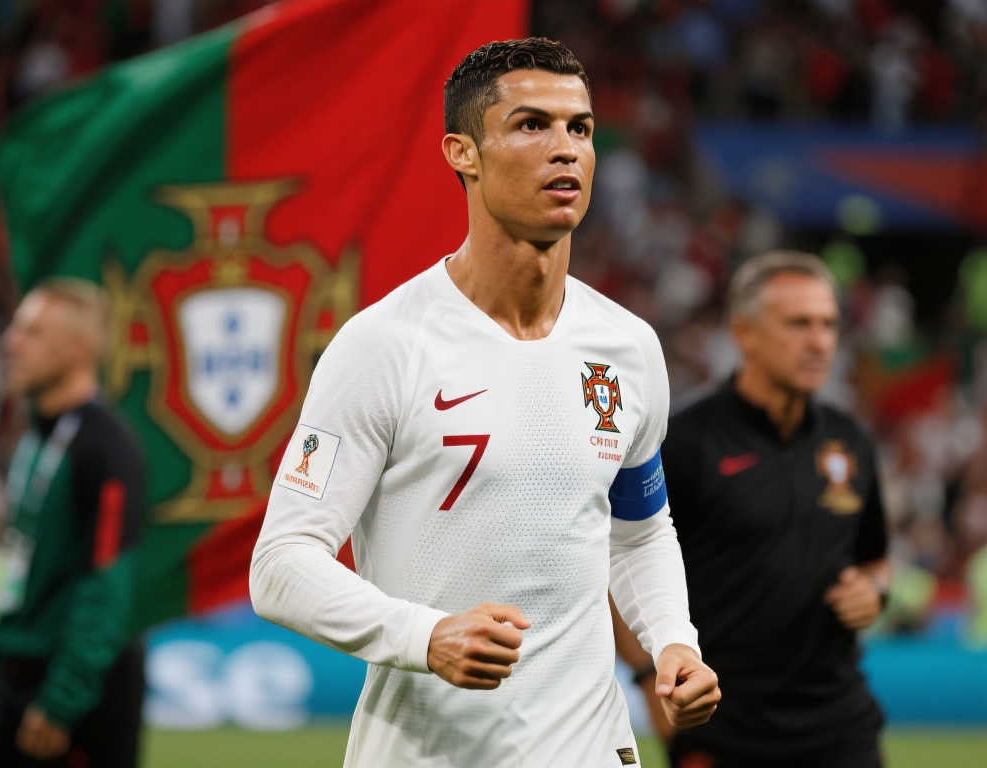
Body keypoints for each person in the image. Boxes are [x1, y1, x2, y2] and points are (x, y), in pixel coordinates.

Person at [250, 37, 719, 767]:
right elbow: (281, 564)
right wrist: (424, 636)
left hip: (590, 748)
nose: (565, 149)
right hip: (428, 752)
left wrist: (673, 642)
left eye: (581, 128)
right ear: (462, 153)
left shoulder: (627, 347)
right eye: (532, 125)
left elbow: (639, 531)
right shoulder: (383, 345)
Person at [622, 250, 890, 768]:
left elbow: (875, 559)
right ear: (745, 332)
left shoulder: (850, 440)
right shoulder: (686, 441)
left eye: (829, 324)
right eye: (799, 324)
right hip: (725, 728)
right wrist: (644, 675)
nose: (819, 341)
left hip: (840, 726)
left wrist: (874, 591)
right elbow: (623, 555)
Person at [0, 278, 146, 768]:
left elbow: (105, 585)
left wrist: (62, 699)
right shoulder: (34, 437)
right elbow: (19, 571)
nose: (11, 342)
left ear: (78, 350)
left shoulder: (106, 449)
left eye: (32, 333)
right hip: (17, 681)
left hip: (72, 698)